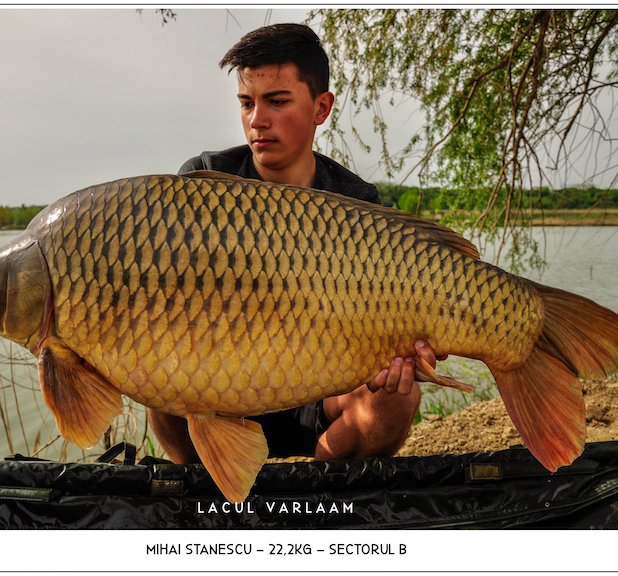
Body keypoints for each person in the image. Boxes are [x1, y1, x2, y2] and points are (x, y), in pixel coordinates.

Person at [147, 22, 444, 464]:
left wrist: (405, 348)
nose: (257, 120)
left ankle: (315, 494)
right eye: (247, 103)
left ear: (321, 108)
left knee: (398, 396)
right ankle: (201, 491)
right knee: (156, 380)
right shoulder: (205, 181)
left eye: (277, 101)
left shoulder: (357, 201)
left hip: (321, 397)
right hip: (222, 396)